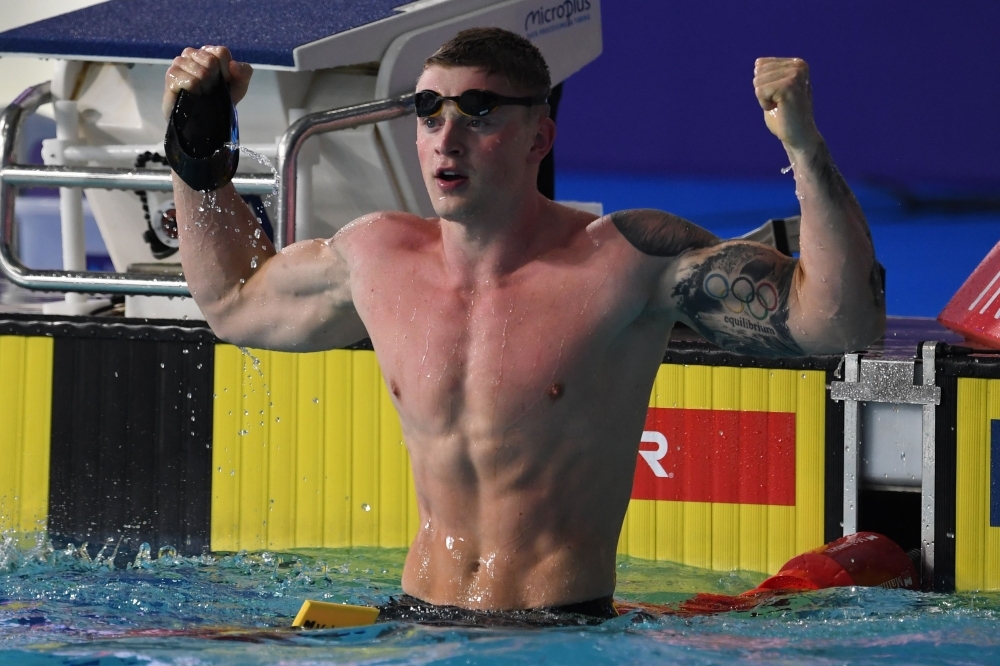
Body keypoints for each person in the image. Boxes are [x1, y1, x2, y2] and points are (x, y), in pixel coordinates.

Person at [164, 28, 884, 619]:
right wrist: (197, 159)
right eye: (429, 110)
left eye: (477, 112)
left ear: (539, 138)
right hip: (417, 620)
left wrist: (804, 148)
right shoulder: (377, 256)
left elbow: (838, 323)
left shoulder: (628, 260)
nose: (446, 137)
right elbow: (234, 302)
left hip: (560, 634)